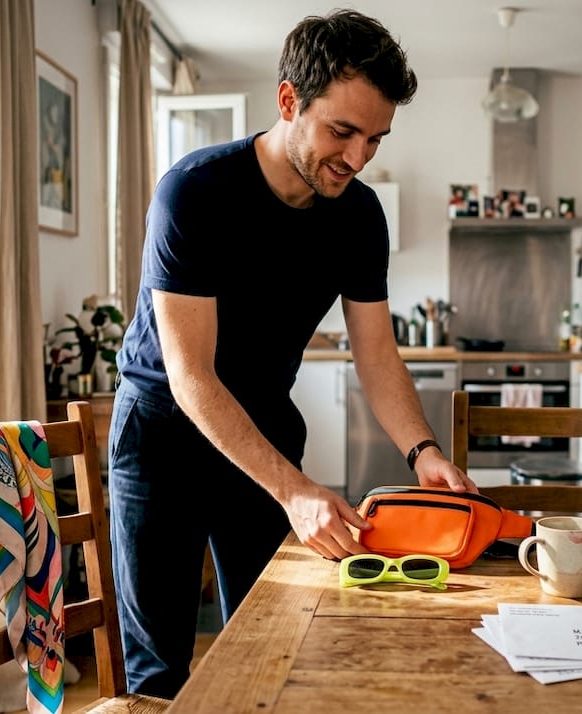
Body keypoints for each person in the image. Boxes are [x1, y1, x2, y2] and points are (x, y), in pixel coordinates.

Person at [108, 9, 476, 699]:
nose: (360, 157)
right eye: (344, 131)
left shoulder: (360, 215)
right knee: (157, 673)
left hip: (264, 427)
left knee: (280, 636)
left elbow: (376, 355)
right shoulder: (192, 194)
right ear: (288, 101)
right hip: (162, 435)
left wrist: (423, 452)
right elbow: (191, 378)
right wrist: (295, 492)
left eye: (376, 138)